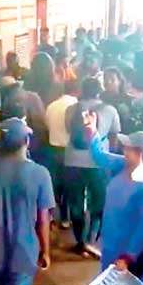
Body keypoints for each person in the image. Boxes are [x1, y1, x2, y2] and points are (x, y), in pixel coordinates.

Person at [85, 111, 143, 285]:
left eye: (128, 148)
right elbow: (100, 157)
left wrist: (128, 256)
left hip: (132, 254)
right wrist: (92, 131)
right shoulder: (124, 165)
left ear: (141, 154)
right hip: (112, 243)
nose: (124, 150)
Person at [0, 117, 55, 285]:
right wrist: (45, 251)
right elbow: (43, 219)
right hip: (25, 251)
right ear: (26, 142)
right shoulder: (40, 174)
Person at [64, 77, 121, 258]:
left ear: (82, 90)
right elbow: (114, 136)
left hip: (73, 160)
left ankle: (80, 242)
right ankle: (91, 241)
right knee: (99, 201)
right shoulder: (110, 110)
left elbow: (68, 131)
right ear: (99, 91)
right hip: (99, 162)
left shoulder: (72, 109)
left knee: (75, 203)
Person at [45, 80, 79, 229]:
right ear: (77, 91)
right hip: (69, 150)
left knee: (55, 185)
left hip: (52, 150)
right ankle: (66, 218)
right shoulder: (76, 105)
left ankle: (51, 216)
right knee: (70, 186)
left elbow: (47, 126)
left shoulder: (51, 106)